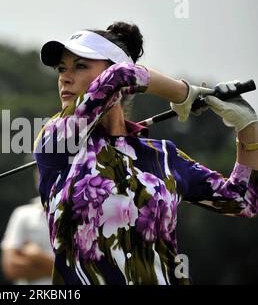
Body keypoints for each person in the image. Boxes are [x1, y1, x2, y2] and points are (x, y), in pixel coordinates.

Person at [33, 22, 258, 285]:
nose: (65, 78)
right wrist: (184, 93)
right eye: (62, 69)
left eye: (80, 66)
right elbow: (120, 76)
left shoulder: (164, 156)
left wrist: (247, 127)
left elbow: (243, 200)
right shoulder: (56, 139)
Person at [0, 168, 54, 284]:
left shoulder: (80, 215)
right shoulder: (22, 215)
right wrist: (61, 269)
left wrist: (39, 258)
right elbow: (11, 268)